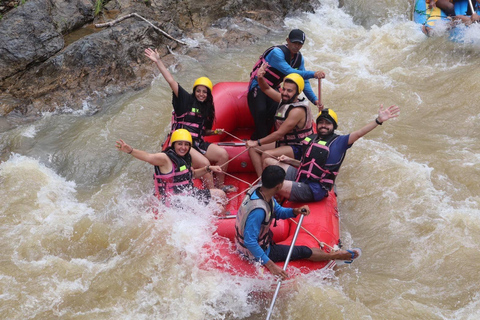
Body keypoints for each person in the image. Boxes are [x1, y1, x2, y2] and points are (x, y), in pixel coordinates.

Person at [235, 165, 361, 280]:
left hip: (253, 243)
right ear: (279, 185)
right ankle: (336, 256)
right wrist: (271, 266)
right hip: (254, 251)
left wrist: (295, 211)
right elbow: (250, 241)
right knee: (304, 251)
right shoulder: (258, 211)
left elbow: (277, 211)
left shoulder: (259, 191)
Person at [264, 105, 400, 203]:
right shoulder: (312, 138)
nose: (323, 125)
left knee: (274, 183)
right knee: (268, 162)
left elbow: (359, 133)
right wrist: (289, 160)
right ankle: (273, 195)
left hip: (314, 188)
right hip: (301, 176)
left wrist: (378, 120)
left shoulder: (340, 142)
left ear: (334, 126)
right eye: (321, 122)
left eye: (328, 123)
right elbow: (306, 165)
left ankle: (269, 199)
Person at [145, 48, 236, 192]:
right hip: (184, 144)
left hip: (198, 143)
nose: (201, 94)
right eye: (198, 91)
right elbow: (171, 80)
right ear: (194, 91)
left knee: (223, 155)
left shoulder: (207, 109)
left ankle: (220, 186)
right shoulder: (185, 100)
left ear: (208, 94)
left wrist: (213, 132)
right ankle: (212, 194)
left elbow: (201, 131)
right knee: (205, 163)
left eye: (204, 92)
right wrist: (158, 61)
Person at [116, 129, 227, 214]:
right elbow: (148, 157)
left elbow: (191, 175)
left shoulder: (185, 158)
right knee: (219, 208)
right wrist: (130, 150)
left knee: (221, 194)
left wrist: (208, 168)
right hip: (175, 202)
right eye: (180, 144)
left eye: (186, 144)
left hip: (189, 195)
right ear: (173, 144)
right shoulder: (165, 159)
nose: (183, 147)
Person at [247, 29, 325, 140]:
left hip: (273, 88)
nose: (296, 46)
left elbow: (303, 81)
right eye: (294, 43)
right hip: (259, 86)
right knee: (261, 111)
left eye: (299, 44)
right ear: (287, 40)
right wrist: (314, 74)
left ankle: (266, 138)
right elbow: (289, 71)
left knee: (275, 111)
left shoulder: (299, 58)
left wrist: (314, 100)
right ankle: (259, 138)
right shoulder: (277, 53)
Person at [246, 64, 314, 177]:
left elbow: (279, 134)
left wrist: (256, 142)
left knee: (266, 154)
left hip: (299, 146)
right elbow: (266, 88)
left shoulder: (297, 111)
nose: (285, 93)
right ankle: (261, 180)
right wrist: (261, 77)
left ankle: (269, 184)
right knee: (253, 149)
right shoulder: (284, 99)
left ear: (297, 93)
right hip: (285, 142)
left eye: (290, 91)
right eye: (284, 89)